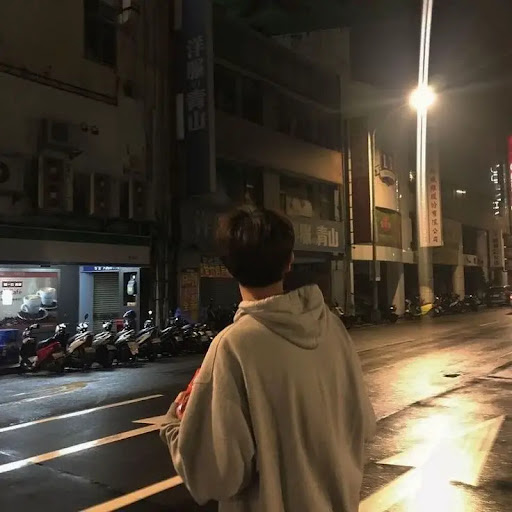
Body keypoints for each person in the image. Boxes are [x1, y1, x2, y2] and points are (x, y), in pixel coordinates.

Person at [160, 206, 376, 512]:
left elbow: (218, 475)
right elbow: (363, 426)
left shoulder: (233, 346)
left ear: (229, 268)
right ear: (289, 261)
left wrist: (174, 425)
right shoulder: (332, 328)